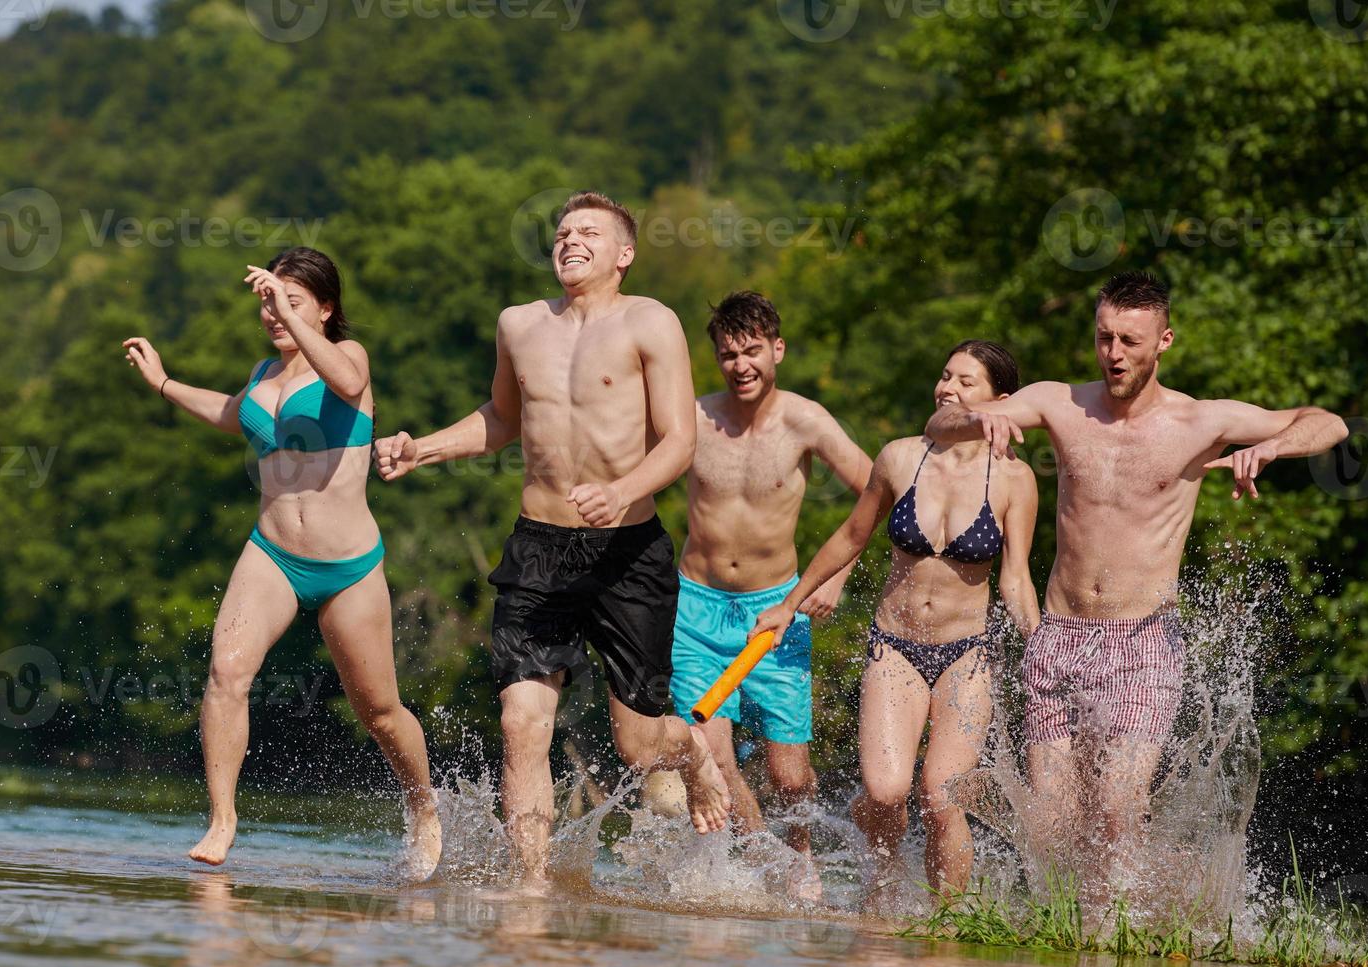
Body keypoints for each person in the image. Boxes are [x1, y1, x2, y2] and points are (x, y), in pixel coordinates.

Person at [923, 270, 1348, 891]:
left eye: (1128, 340)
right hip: (1060, 636)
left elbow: (1327, 422)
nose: (1113, 354)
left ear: (1164, 341)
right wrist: (973, 423)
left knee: (1117, 814)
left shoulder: (1200, 421)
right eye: (1103, 338)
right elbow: (938, 426)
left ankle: (1138, 920)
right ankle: (1071, 932)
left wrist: (1274, 449)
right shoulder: (1057, 401)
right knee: (1056, 824)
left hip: (1143, 641)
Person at [374, 191, 731, 888]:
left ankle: (689, 751)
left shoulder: (650, 322)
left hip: (627, 555)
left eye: (589, 233)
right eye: (563, 232)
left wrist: (624, 489)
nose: (570, 240)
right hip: (539, 550)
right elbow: (501, 419)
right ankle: (530, 888)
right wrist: (425, 449)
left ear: (623, 254)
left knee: (638, 744)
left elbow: (682, 439)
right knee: (522, 721)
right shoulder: (519, 325)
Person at [122, 247, 440, 874]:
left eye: (292, 302)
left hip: (347, 564)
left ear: (325, 308)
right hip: (272, 553)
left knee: (378, 711)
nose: (274, 313)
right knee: (226, 672)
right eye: (269, 301)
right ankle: (221, 819)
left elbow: (346, 386)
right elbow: (230, 413)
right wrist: (163, 382)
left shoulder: (349, 360)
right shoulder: (265, 372)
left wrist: (295, 319)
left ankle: (423, 807)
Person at [752, 340, 1040, 896]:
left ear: (1001, 402)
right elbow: (852, 535)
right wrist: (788, 605)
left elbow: (1017, 579)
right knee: (886, 793)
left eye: (965, 382)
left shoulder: (1015, 479)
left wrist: (1046, 648)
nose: (947, 388)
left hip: (969, 655)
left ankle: (948, 924)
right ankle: (880, 893)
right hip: (895, 647)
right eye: (944, 375)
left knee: (942, 796)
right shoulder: (901, 457)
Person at [668, 290, 872, 897]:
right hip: (695, 609)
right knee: (713, 756)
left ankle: (799, 854)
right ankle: (758, 866)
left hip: (775, 611)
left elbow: (876, 489)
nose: (741, 365)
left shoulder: (805, 420)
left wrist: (836, 575)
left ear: (776, 350)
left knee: (789, 775)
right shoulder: (693, 418)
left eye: (752, 350)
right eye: (728, 354)